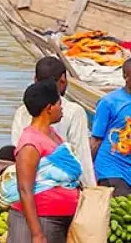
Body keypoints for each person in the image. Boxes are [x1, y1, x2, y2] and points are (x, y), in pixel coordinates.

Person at [5, 80, 82, 243]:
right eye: (59, 104)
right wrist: (37, 234)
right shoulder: (30, 144)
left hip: (59, 220)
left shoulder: (52, 134)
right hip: (40, 220)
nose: (62, 109)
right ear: (48, 108)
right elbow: (25, 189)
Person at [8, 57, 95, 188]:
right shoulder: (74, 111)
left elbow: (17, 150)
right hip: (61, 186)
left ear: (35, 80)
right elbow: (81, 155)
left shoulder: (22, 111)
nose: (61, 110)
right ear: (63, 80)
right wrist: (90, 188)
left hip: (29, 181)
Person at [90, 59, 131, 195]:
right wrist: (87, 173)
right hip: (111, 169)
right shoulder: (109, 102)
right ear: (125, 76)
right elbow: (96, 140)